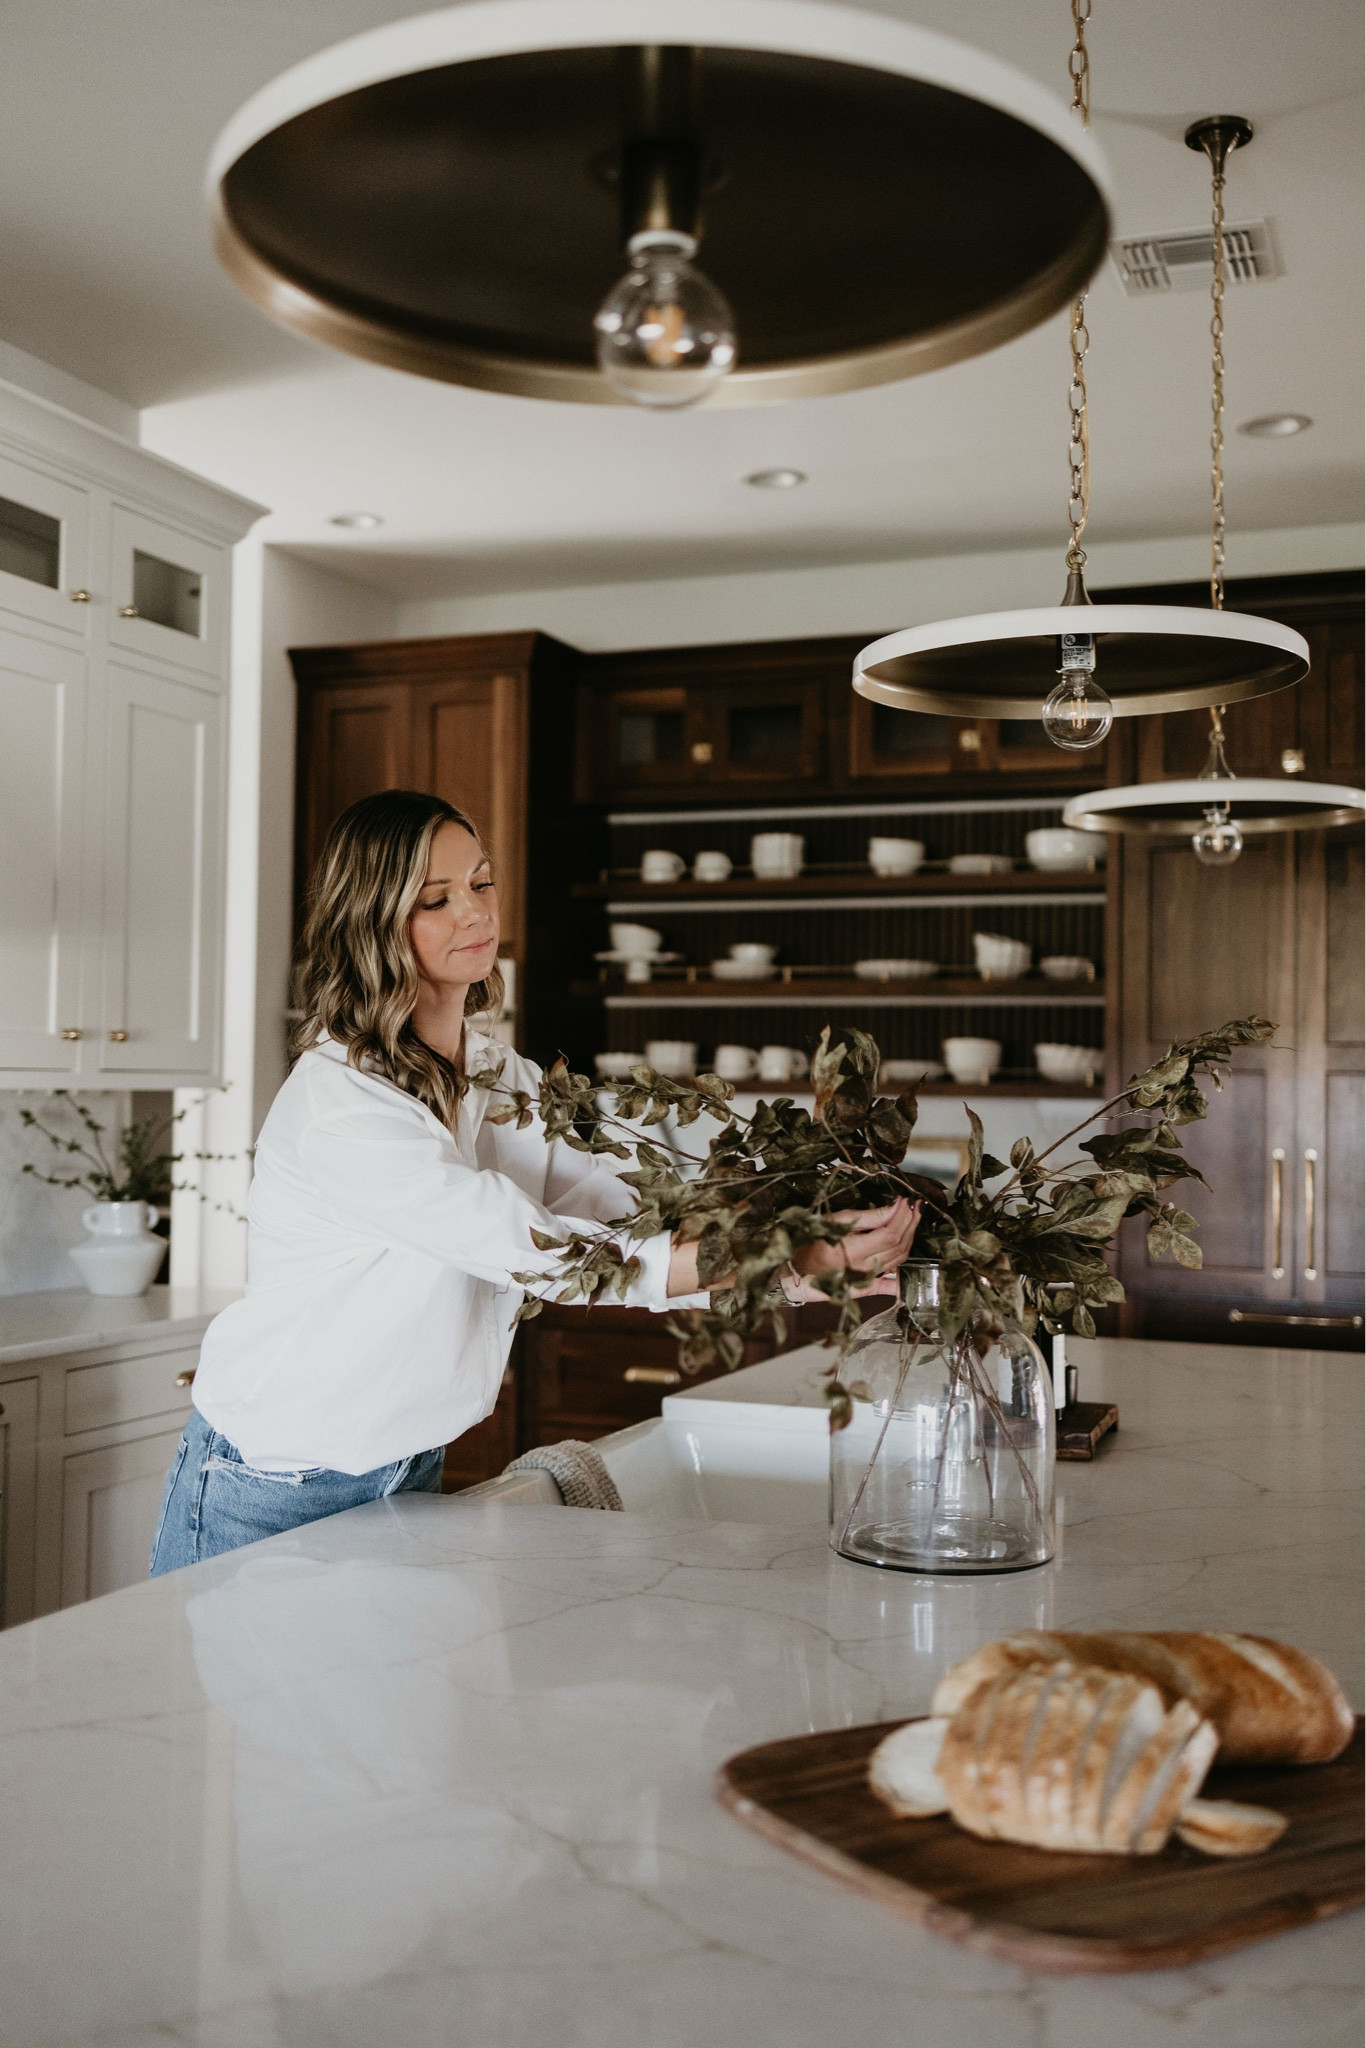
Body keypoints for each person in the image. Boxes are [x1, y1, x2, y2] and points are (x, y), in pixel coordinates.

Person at [149, 791, 916, 1573]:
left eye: (480, 884)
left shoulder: (494, 1075)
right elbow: (546, 1252)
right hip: (275, 1477)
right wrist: (773, 1262)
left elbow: (622, 1208)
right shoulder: (344, 1108)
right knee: (230, 1699)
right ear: (372, 921)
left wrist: (788, 1258)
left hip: (408, 1460)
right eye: (435, 899)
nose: (475, 913)